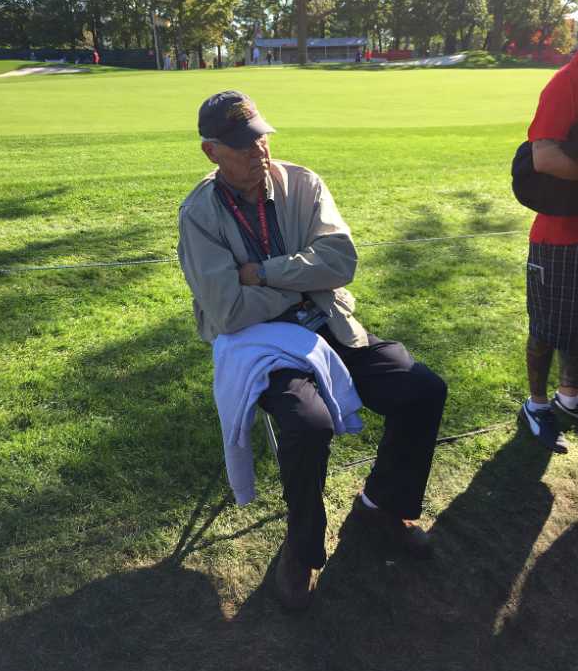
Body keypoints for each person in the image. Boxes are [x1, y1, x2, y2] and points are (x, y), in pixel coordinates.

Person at [178, 91, 447, 610]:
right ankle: (301, 550)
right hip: (263, 345)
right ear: (211, 151)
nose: (258, 150)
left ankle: (380, 507)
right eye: (242, 145)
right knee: (308, 423)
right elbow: (228, 311)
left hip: (328, 323)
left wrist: (263, 273)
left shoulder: (302, 183)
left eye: (260, 137)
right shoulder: (199, 214)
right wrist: (302, 281)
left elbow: (341, 261)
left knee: (421, 389)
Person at [518, 53, 578, 454]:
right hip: (559, 238)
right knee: (546, 328)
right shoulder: (567, 82)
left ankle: (569, 395)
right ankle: (536, 405)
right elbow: (544, 157)